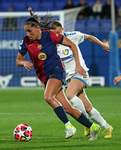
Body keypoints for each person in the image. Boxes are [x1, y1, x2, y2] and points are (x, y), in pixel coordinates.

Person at [16, 9, 100, 141]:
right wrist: (23, 62)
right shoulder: (26, 41)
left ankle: (69, 127)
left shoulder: (50, 36)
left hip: (57, 71)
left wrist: (78, 65)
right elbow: (17, 61)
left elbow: (72, 44)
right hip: (44, 77)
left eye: (30, 31)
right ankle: (93, 126)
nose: (28, 34)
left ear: (38, 29)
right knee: (67, 108)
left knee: (48, 97)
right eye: (26, 31)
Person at [50, 20, 113, 138]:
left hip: (80, 73)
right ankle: (107, 127)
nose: (57, 35)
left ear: (63, 30)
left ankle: (87, 124)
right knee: (88, 108)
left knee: (69, 95)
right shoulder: (52, 45)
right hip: (68, 79)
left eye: (59, 32)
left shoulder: (72, 36)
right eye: (55, 34)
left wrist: (103, 44)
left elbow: (89, 37)